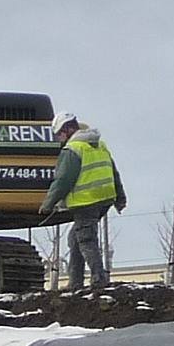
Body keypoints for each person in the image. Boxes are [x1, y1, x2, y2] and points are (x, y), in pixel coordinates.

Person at [46, 115, 126, 293]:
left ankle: (99, 279)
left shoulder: (73, 149)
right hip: (104, 198)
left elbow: (63, 180)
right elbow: (114, 172)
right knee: (75, 237)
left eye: (59, 134)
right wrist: (120, 198)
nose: (58, 139)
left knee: (85, 239)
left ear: (67, 130)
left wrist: (49, 203)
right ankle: (76, 281)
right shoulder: (99, 145)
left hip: (86, 200)